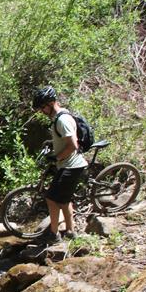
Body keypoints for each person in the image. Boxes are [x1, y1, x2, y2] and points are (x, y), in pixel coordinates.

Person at [31, 85, 88, 243]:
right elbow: (64, 140)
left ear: (50, 104)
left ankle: (54, 234)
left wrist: (57, 158)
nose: (41, 111)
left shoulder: (62, 120)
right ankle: (70, 231)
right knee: (64, 200)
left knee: (51, 198)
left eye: (42, 107)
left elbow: (72, 145)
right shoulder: (60, 117)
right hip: (69, 165)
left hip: (72, 165)